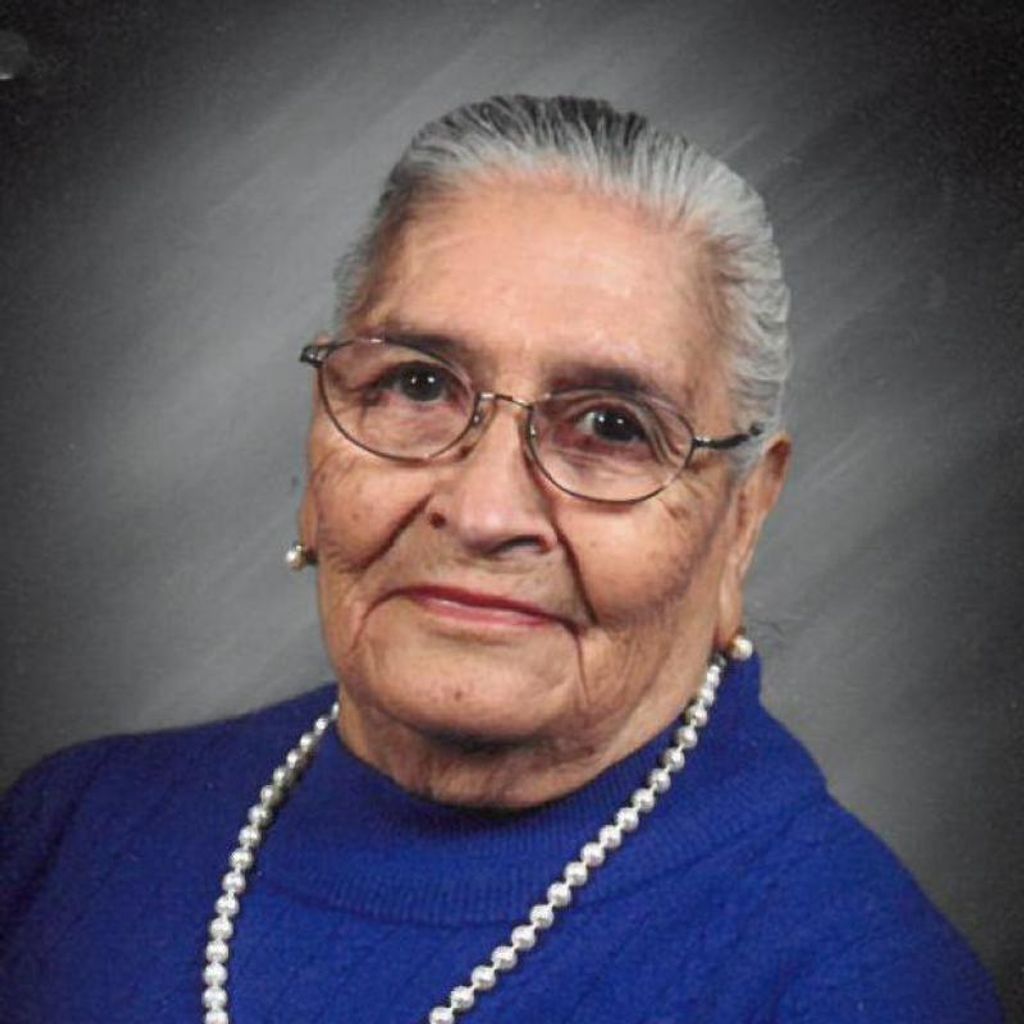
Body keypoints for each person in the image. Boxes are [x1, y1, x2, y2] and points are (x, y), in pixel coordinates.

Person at [0, 95, 1002, 1023]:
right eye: (418, 385)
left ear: (741, 519)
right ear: (322, 429)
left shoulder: (853, 982)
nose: (483, 512)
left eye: (610, 426)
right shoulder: (70, 834)